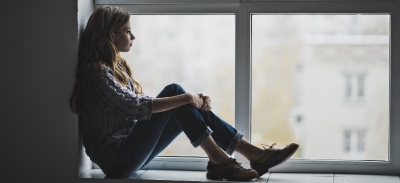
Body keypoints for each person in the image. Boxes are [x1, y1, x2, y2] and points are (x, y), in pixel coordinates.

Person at [70, 5, 299, 181]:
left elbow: (141, 107)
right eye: (128, 31)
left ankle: (246, 156)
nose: (133, 37)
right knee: (176, 94)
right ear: (111, 35)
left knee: (180, 100)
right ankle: (223, 160)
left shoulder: (114, 68)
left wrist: (192, 103)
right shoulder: (95, 72)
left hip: (128, 151)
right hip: (118, 160)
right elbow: (136, 107)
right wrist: (187, 99)